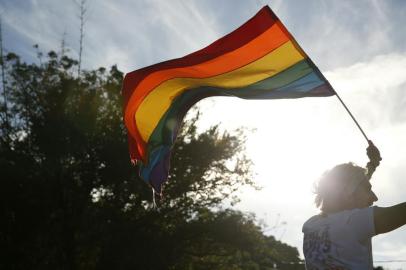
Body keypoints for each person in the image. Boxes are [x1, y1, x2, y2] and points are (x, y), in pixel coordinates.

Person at [302, 141, 406, 270]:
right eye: (368, 190)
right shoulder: (353, 222)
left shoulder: (310, 225)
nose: (375, 197)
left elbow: (351, 187)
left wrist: (372, 164)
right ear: (348, 192)